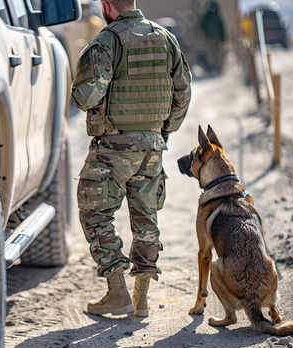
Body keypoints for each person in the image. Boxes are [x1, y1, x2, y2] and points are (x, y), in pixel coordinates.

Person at [71, 0, 191, 317]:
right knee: (145, 219)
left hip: (113, 147)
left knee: (94, 213)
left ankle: (117, 292)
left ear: (107, 5)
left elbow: (85, 97)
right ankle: (142, 298)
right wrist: (163, 130)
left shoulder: (107, 40)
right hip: (152, 147)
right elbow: (183, 91)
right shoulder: (167, 38)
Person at [200, 1, 226, 73]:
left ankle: (218, 67)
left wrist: (223, 38)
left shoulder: (218, 16)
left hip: (218, 38)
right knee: (210, 53)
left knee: (218, 53)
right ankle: (212, 67)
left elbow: (222, 28)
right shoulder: (207, 17)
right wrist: (206, 32)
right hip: (209, 38)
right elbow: (202, 25)